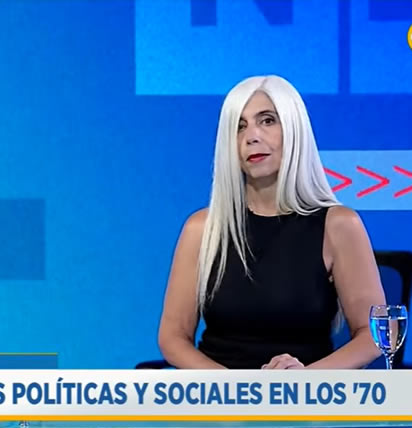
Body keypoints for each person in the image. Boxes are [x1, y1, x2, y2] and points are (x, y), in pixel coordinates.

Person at [158, 75, 384, 369]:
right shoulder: (202, 229)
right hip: (221, 392)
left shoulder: (339, 225)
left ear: (294, 130)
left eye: (267, 121)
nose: (251, 136)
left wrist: (305, 380)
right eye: (240, 126)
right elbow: (173, 336)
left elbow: (373, 335)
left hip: (308, 391)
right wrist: (235, 387)